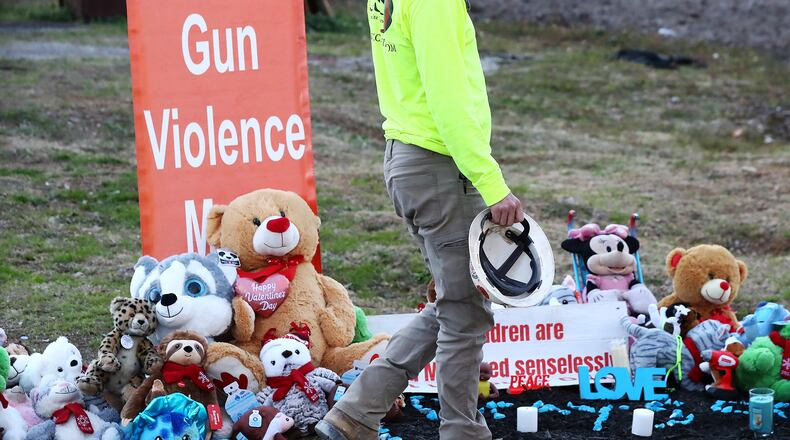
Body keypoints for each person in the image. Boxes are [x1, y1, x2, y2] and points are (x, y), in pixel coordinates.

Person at [316, 0, 523, 439]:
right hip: (439, 165)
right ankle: (462, 431)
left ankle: (355, 414)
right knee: (464, 313)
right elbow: (447, 98)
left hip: (408, 160)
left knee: (454, 302)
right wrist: (492, 183)